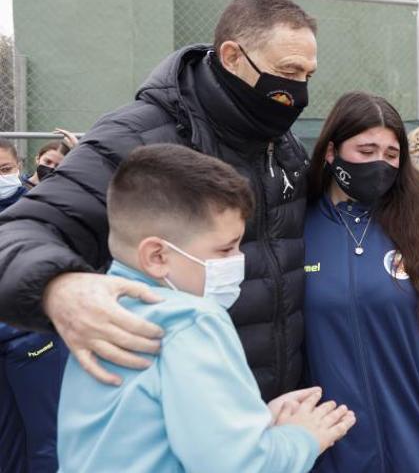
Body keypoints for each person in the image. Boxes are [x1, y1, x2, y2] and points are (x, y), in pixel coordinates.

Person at [0, 0, 320, 402]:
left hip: (265, 418)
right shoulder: (137, 139)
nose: (298, 91)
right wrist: (58, 288)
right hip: (168, 417)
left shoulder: (283, 146)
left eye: (307, 77)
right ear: (232, 57)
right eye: (288, 72)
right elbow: (19, 233)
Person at [57, 144, 355, 473]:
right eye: (226, 249)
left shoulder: (94, 315)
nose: (240, 261)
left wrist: (254, 421)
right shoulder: (192, 320)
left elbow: (148, 434)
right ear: (157, 256)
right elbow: (239, 466)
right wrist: (303, 437)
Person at [303, 91, 419, 473]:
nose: (380, 163)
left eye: (391, 155)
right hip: (333, 453)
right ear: (331, 152)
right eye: (366, 150)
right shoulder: (298, 230)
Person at [0, 139, 70, 473]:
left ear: (20, 167)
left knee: (45, 436)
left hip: (30, 337)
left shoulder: (36, 207)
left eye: (5, 170)